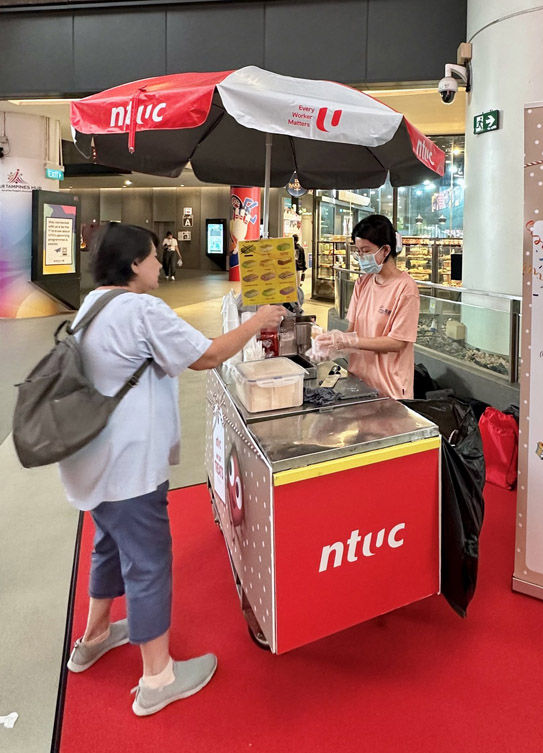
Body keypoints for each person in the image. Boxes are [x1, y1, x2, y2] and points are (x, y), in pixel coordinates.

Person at [60, 223, 284, 716]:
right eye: (153, 257)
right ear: (135, 265)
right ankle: (158, 676)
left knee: (109, 544)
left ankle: (96, 634)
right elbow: (206, 356)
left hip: (91, 460)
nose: (161, 264)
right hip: (129, 467)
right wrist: (259, 319)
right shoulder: (141, 309)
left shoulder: (92, 306)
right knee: (149, 561)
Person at [315, 214, 420, 398]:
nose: (361, 257)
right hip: (359, 382)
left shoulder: (406, 289)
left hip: (390, 388)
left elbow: (397, 342)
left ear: (385, 249)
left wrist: (351, 341)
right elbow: (352, 329)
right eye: (358, 251)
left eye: (365, 250)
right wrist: (332, 346)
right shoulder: (362, 283)